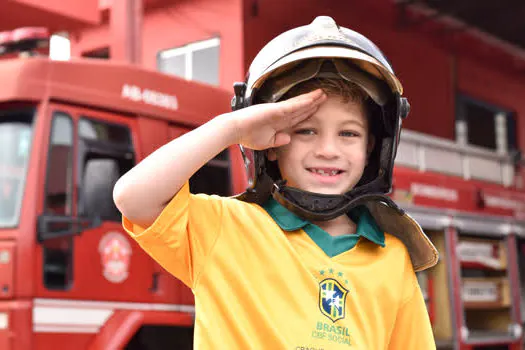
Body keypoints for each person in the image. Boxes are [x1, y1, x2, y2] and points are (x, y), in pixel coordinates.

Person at [113, 16, 439, 349]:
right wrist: (233, 128)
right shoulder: (225, 229)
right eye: (306, 130)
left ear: (373, 148)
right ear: (269, 147)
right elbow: (134, 198)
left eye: (348, 133)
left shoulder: (393, 258)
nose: (328, 150)